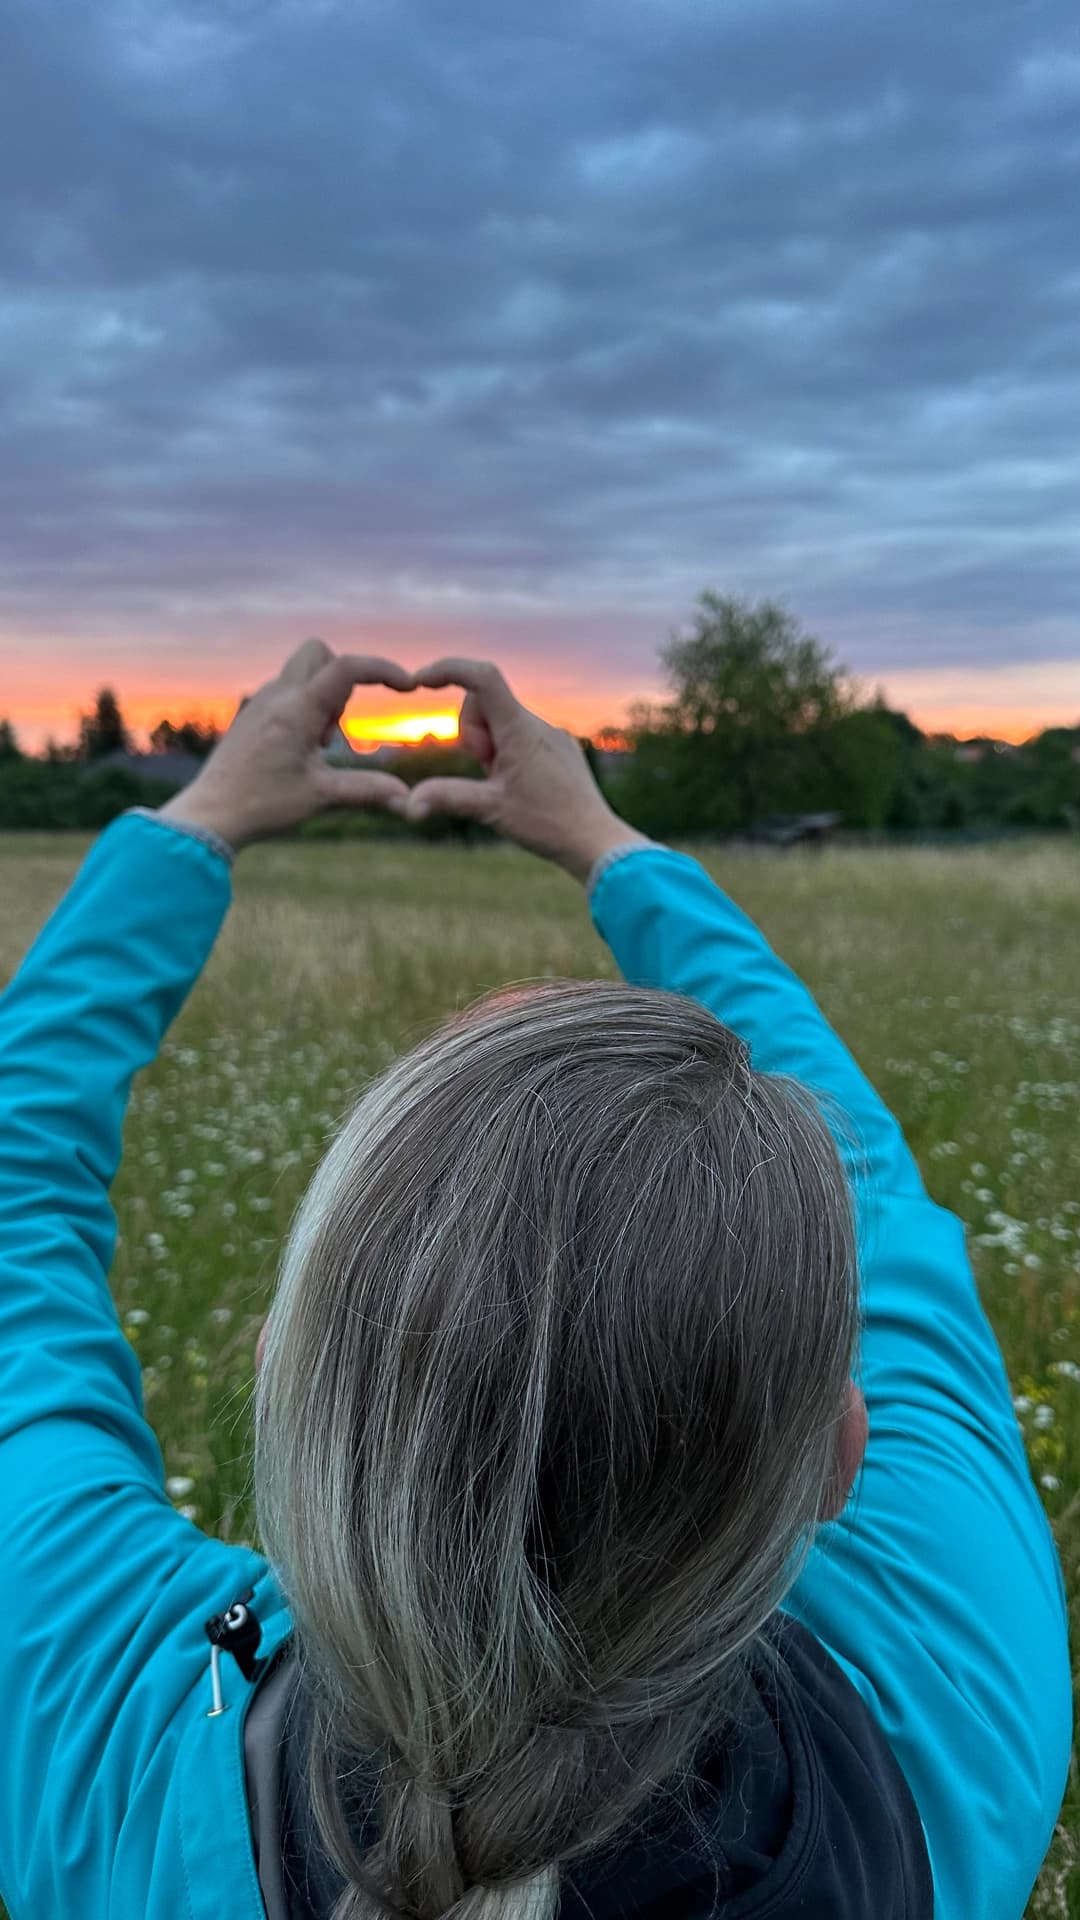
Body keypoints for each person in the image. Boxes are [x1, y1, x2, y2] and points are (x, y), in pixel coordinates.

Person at [0, 639, 1068, 1920]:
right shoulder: (946, 1683)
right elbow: (872, 1194)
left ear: (282, 1386)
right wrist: (607, 844)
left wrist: (203, 818)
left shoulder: (111, 1719)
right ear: (839, 1458)